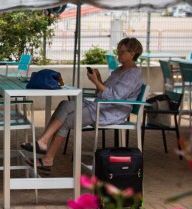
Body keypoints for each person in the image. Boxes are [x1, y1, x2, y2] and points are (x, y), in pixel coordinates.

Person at [21, 37, 144, 172]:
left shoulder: (133, 74)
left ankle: (47, 159)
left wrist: (97, 83)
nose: (118, 54)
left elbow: (116, 96)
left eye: (122, 52)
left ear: (132, 54)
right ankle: (42, 142)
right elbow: (102, 91)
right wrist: (98, 80)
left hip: (110, 111)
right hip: (100, 105)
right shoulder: (119, 70)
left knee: (68, 120)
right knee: (65, 104)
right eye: (118, 51)